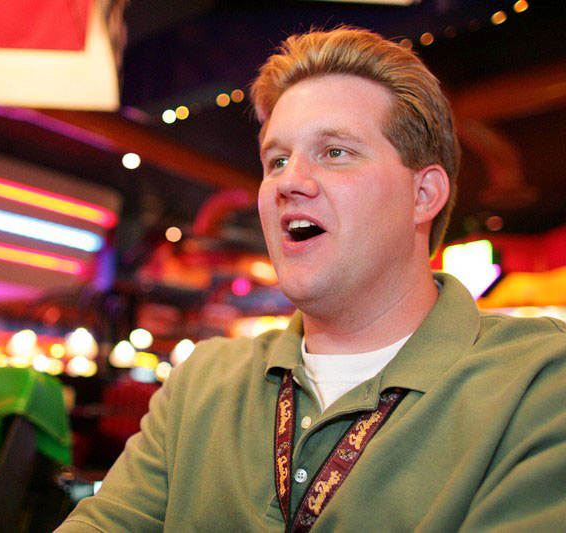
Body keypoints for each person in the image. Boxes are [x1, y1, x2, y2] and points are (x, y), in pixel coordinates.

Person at [55, 27, 566, 531]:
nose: (289, 182)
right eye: (277, 160)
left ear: (424, 194)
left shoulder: (538, 382)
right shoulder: (204, 380)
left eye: (335, 152)